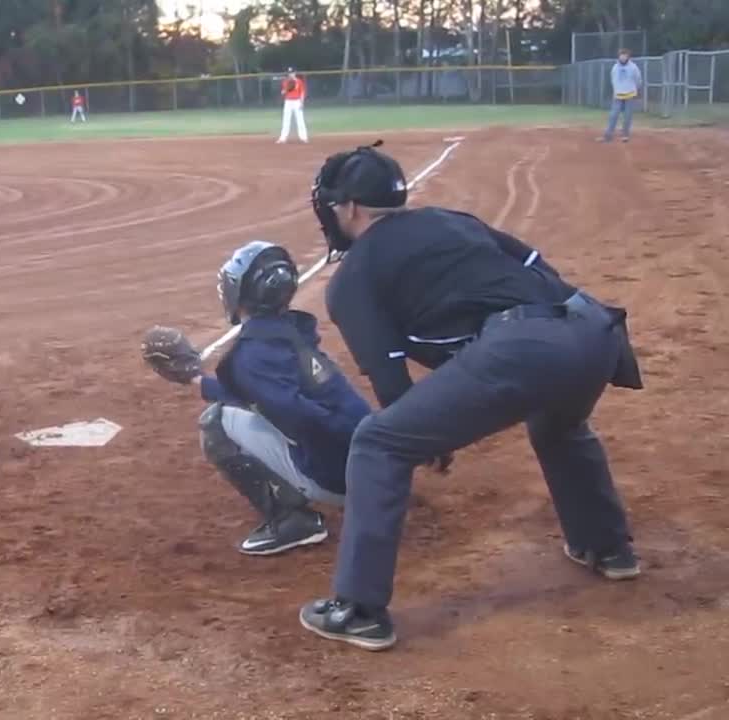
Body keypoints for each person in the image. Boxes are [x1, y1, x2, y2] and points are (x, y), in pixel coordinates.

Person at [298, 142, 644, 651]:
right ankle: (608, 548)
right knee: (558, 424)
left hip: (526, 345)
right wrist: (572, 339)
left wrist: (426, 436)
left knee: (378, 442)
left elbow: (389, 379)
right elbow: (534, 265)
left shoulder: (352, 278)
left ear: (348, 208)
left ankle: (359, 609)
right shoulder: (452, 219)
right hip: (596, 326)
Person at [187, 241, 372, 555]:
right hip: (374, 465)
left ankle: (292, 521)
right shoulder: (291, 330)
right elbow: (262, 393)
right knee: (269, 407)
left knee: (216, 423)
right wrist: (196, 381)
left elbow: (289, 412)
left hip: (338, 480)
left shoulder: (252, 356)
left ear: (241, 294)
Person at [601, 48, 642, 143]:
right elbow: (613, 80)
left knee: (628, 116)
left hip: (630, 94)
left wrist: (636, 90)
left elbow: (638, 80)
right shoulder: (615, 67)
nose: (623, 57)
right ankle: (608, 135)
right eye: (621, 55)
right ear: (619, 56)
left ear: (628, 57)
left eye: (625, 55)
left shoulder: (633, 67)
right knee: (613, 115)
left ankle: (625, 134)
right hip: (618, 95)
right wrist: (616, 91)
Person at [277, 68, 308, 144]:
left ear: (295, 73)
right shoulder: (285, 81)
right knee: (286, 120)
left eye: (292, 72)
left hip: (297, 102)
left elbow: (302, 93)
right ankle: (283, 138)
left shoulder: (299, 82)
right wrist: (284, 91)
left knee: (300, 120)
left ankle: (304, 137)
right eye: (290, 73)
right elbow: (283, 92)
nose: (291, 74)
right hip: (288, 102)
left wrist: (302, 103)